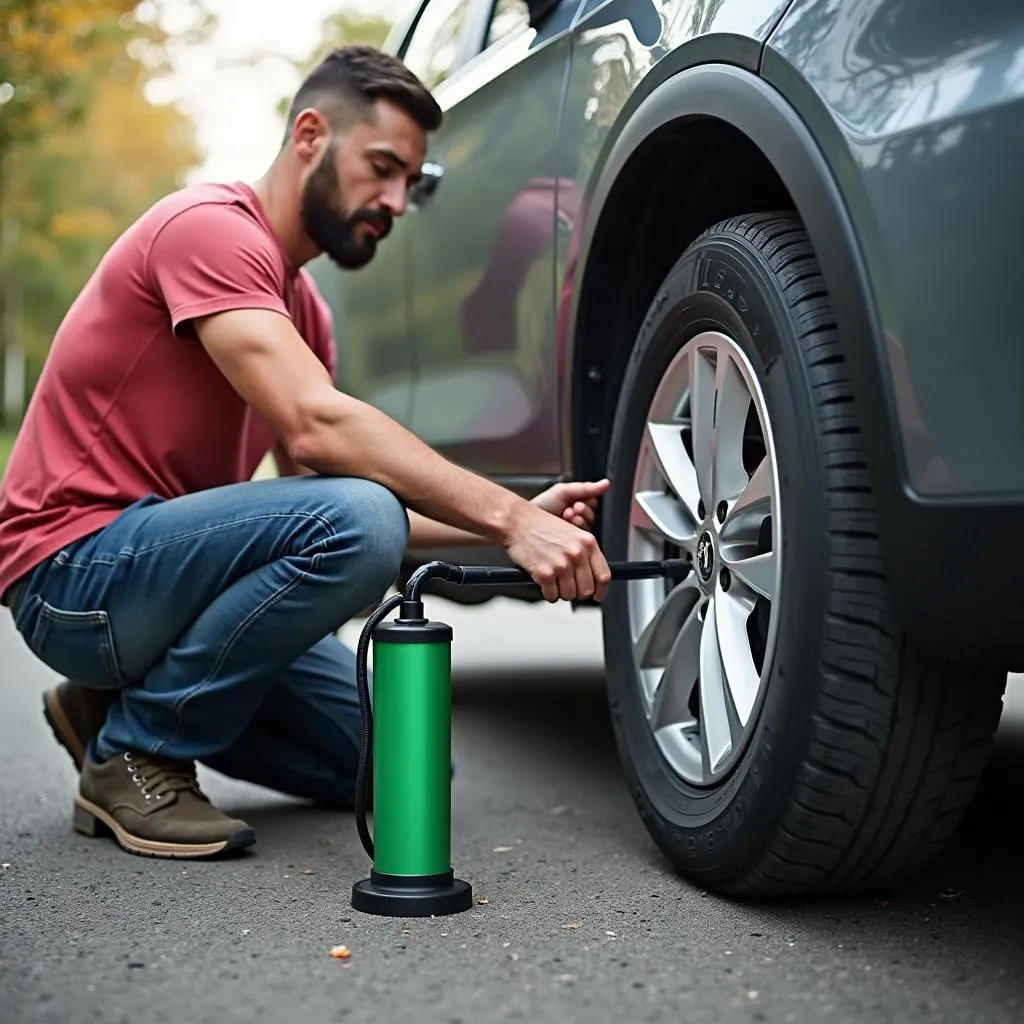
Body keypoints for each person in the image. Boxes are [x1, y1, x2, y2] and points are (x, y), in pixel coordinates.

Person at [0, 45, 612, 860]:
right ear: (311, 135)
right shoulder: (209, 230)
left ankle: (105, 708)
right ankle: (137, 752)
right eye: (383, 167)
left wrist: (506, 526)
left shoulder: (303, 310)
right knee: (357, 518)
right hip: (71, 575)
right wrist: (506, 518)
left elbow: (343, 518)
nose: (395, 201)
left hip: (156, 582)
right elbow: (326, 441)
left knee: (397, 765)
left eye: (411, 184)